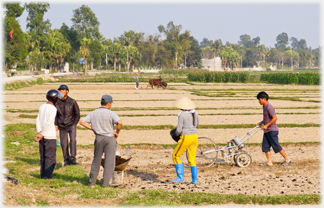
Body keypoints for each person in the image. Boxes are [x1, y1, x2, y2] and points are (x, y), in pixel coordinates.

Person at [80, 94, 123, 187]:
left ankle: (91, 182)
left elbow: (82, 122)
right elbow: (119, 123)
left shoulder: (93, 113)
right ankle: (105, 184)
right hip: (109, 138)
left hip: (99, 138)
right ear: (108, 104)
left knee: (96, 160)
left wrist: (92, 129)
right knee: (109, 161)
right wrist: (117, 132)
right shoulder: (112, 113)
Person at [257, 91, 292, 166]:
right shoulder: (264, 107)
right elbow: (267, 118)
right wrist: (261, 122)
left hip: (272, 130)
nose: (259, 101)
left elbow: (275, 118)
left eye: (259, 100)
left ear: (264, 99)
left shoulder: (269, 107)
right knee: (265, 147)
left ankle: (287, 159)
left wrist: (266, 125)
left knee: (276, 146)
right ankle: (269, 162)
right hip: (267, 131)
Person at [36, 89, 64, 179]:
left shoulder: (42, 106)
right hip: (49, 135)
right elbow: (49, 122)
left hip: (42, 135)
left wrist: (39, 132)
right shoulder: (53, 108)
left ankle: (43, 175)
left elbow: (38, 120)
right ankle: (48, 176)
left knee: (43, 156)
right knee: (50, 157)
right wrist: (43, 133)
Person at [170, 96, 199, 184]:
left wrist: (175, 135)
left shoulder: (182, 114)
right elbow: (197, 124)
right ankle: (194, 180)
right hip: (195, 136)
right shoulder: (195, 113)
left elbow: (179, 130)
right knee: (191, 159)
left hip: (186, 137)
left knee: (176, 156)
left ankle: (180, 177)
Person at [55, 84, 80, 166]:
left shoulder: (72, 101)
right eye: (60, 90)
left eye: (63, 90)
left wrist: (74, 123)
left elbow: (77, 114)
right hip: (62, 126)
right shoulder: (56, 102)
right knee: (63, 143)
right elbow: (55, 115)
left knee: (73, 141)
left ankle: (73, 158)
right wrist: (56, 124)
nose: (61, 91)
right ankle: (66, 160)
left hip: (71, 124)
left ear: (67, 91)